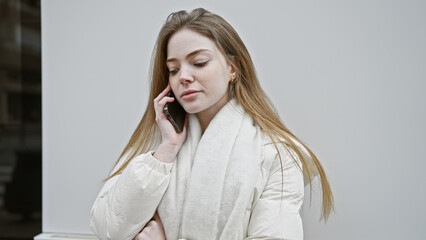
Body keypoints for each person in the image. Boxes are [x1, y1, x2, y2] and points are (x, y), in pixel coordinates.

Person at [90, 8, 333, 240]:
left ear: (232, 68)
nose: (183, 76)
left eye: (199, 63)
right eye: (173, 69)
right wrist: (165, 152)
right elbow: (108, 228)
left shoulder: (277, 154)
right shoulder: (154, 144)